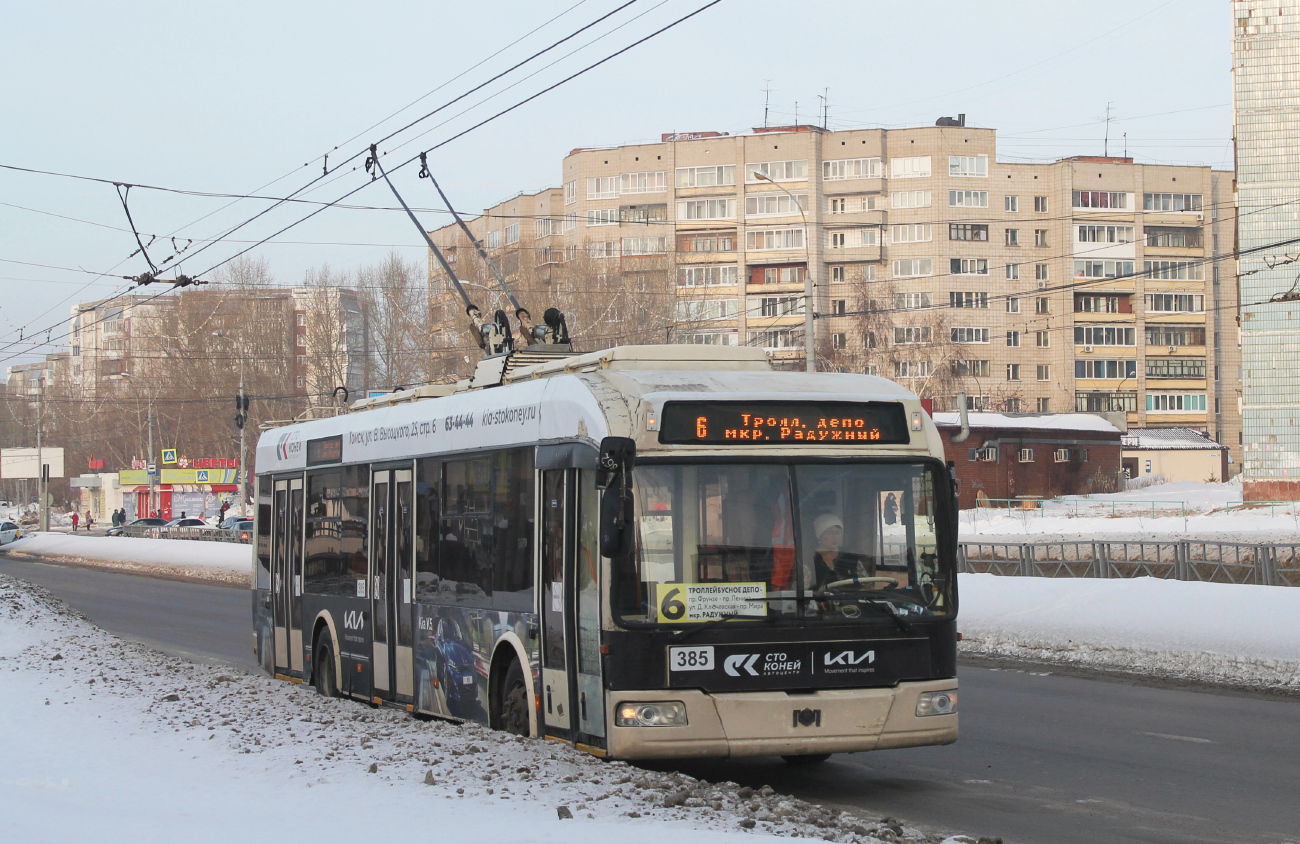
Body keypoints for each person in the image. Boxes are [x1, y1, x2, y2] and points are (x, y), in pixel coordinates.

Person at [809, 513, 875, 591]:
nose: (835, 537)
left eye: (838, 533)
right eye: (830, 533)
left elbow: (867, 586)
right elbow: (803, 590)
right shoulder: (809, 559)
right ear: (819, 535)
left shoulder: (851, 558)